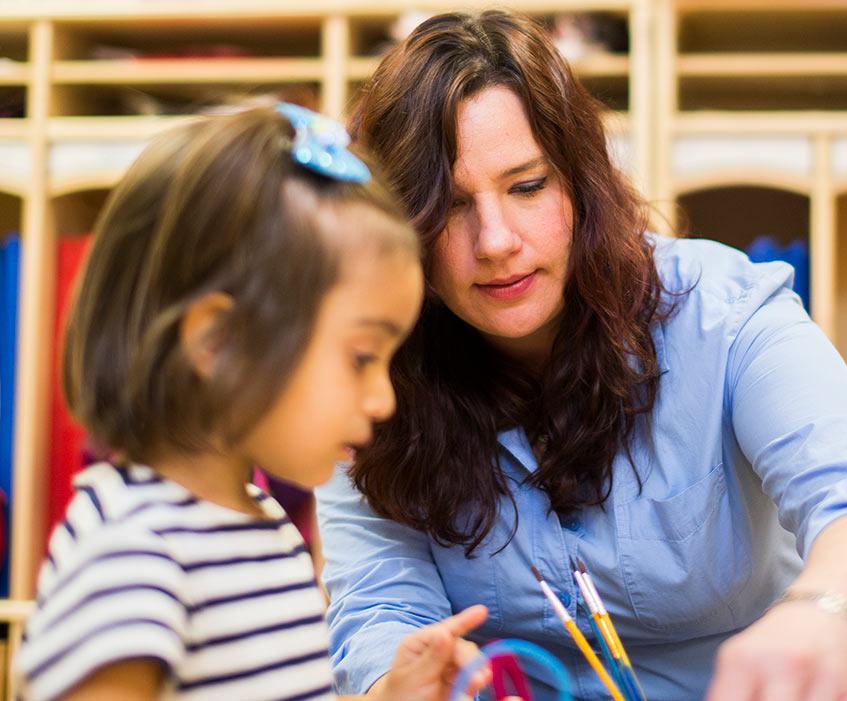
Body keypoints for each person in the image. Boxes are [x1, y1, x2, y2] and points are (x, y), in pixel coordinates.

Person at [315, 10, 847, 701]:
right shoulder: (374, 380)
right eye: (450, 207)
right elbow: (381, 613)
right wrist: (398, 683)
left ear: (581, 181)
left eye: (528, 186)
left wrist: (826, 618)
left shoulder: (723, 312)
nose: (496, 240)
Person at [15, 104, 496, 701]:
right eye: (361, 358)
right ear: (217, 342)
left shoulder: (268, 528)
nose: (383, 399)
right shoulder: (133, 555)